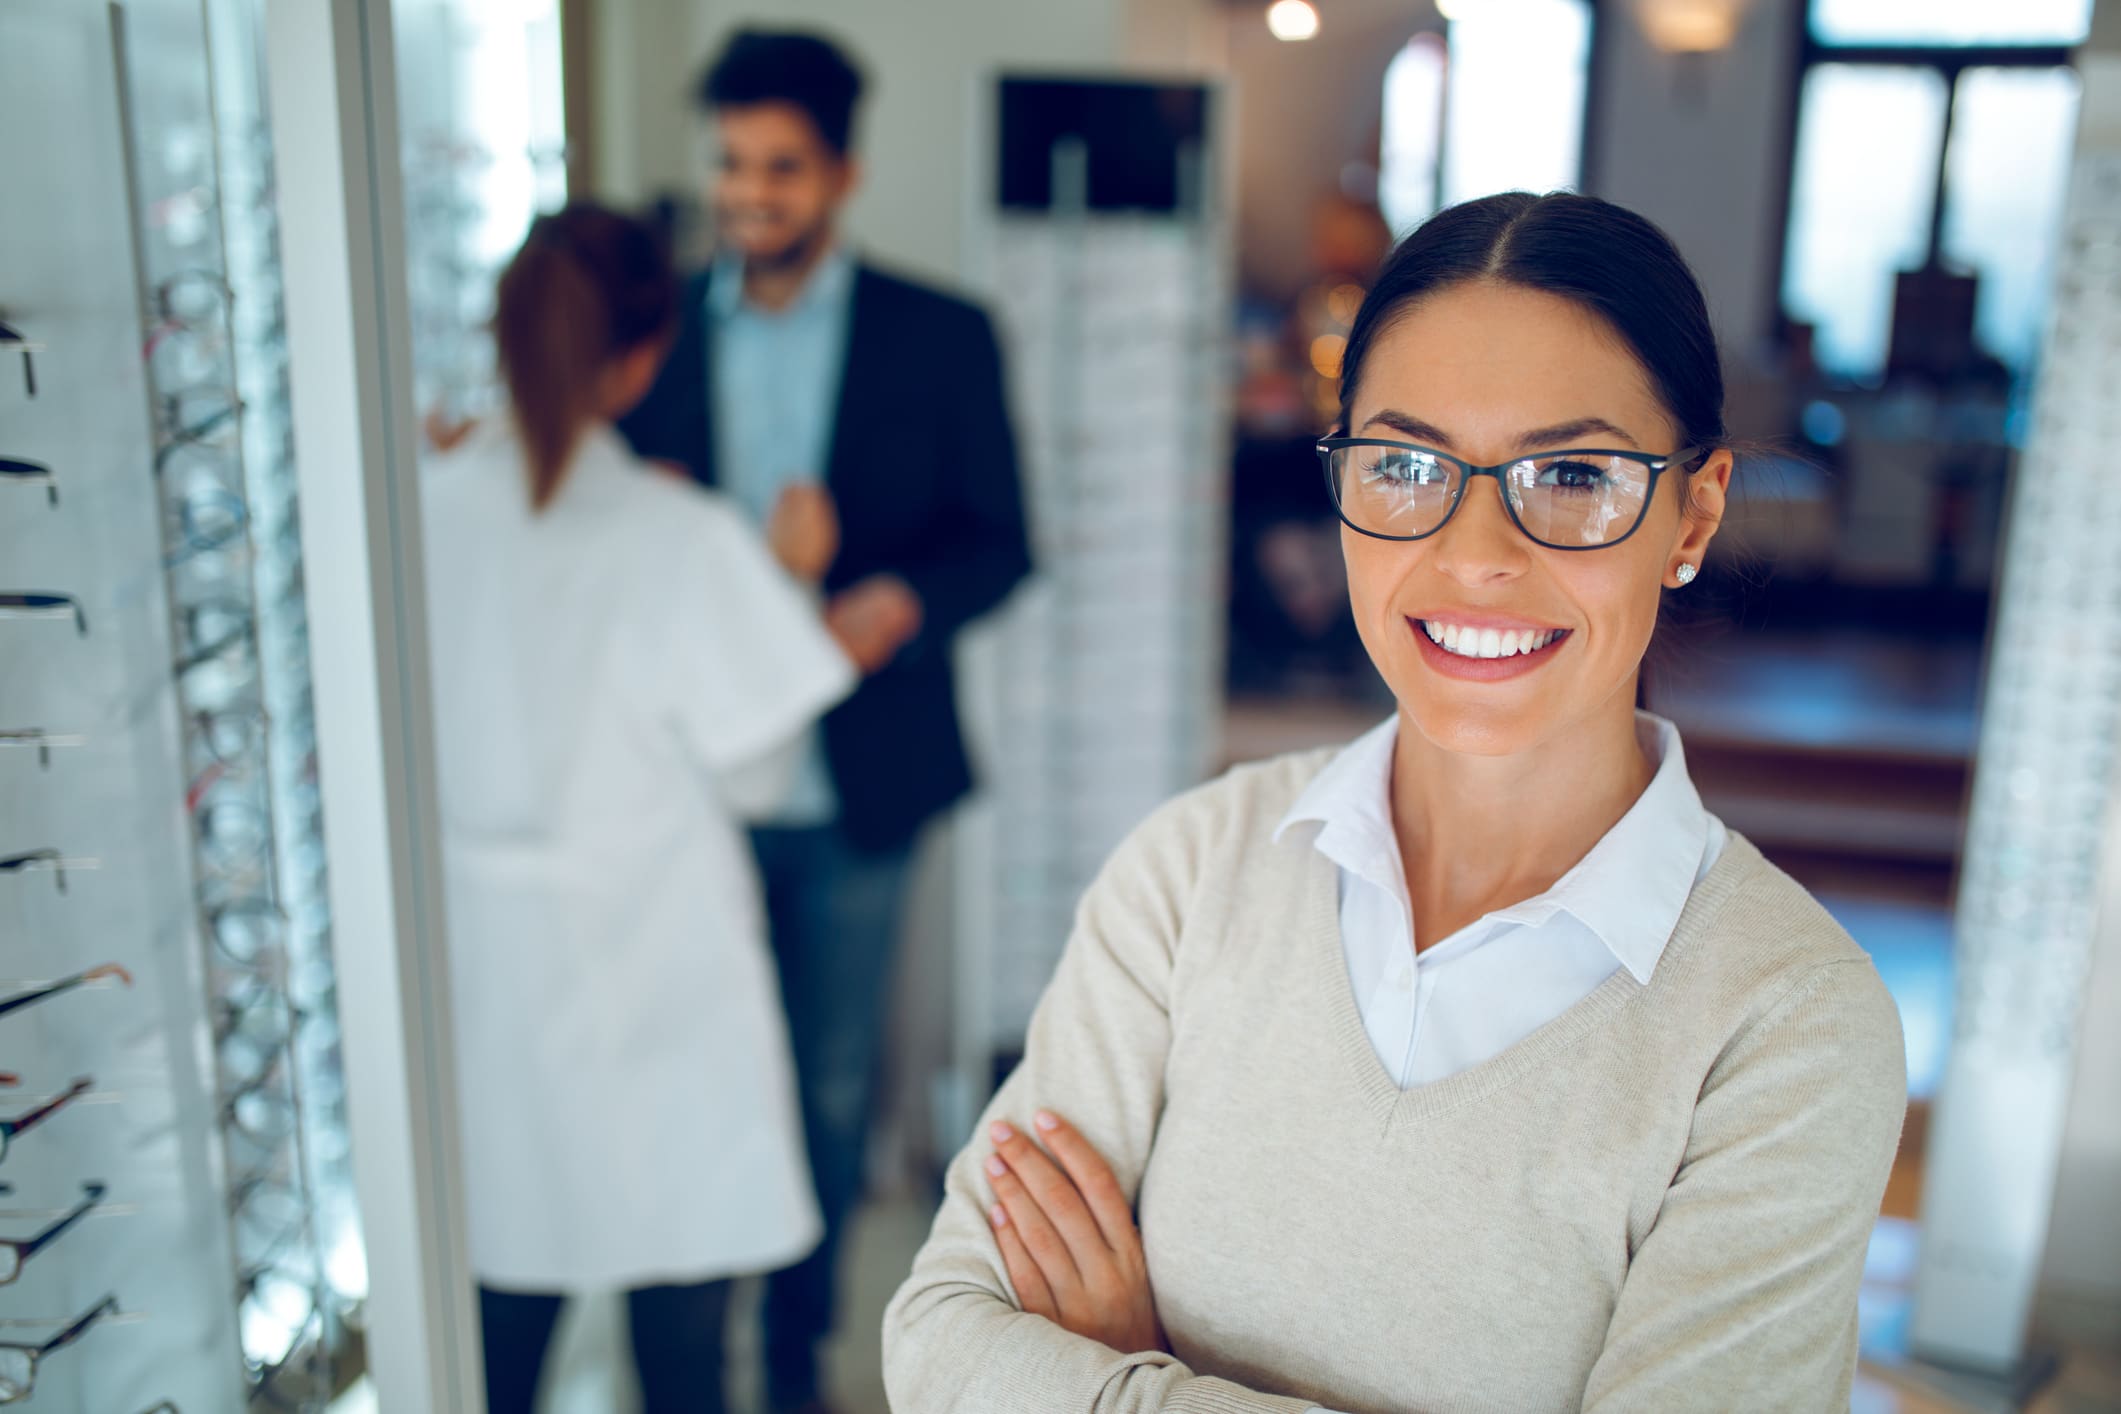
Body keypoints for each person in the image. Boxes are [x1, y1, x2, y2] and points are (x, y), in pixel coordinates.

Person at [883, 191, 1908, 1411]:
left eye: (1572, 472)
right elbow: (941, 1338)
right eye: (1408, 465)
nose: (1475, 554)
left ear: (1693, 513)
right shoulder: (1195, 868)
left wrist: (1124, 1369)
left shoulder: (1786, 1025)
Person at [617, 28, 1032, 1413]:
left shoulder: (943, 332)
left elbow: (1003, 542)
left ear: (841, 173)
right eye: (732, 162)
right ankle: (690, 1362)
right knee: (686, 1081)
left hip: (862, 780)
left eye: (781, 167)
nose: (750, 192)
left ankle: (794, 1362)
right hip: (688, 790)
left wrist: (897, 597)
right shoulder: (655, 331)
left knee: (827, 1088)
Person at [420, 202, 855, 1414]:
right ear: (646, 355)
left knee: (491, 1355)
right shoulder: (679, 538)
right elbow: (761, 777)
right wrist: (794, 581)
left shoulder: (417, 514)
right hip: (658, 997)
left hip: (483, 1004)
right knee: (681, 1367)